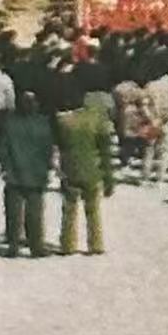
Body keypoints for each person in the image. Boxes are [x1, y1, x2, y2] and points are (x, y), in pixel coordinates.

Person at [55, 92, 115, 255]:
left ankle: (68, 244)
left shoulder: (63, 122)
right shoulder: (96, 121)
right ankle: (96, 243)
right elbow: (105, 153)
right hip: (92, 170)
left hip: (71, 169)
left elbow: (59, 147)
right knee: (93, 209)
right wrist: (108, 178)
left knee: (69, 209)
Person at [0, 92, 55, 259]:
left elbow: (2, 147)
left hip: (14, 172)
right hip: (36, 172)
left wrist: (5, 165)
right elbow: (47, 148)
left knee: (13, 212)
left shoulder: (9, 123)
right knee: (35, 212)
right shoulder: (43, 123)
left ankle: (13, 245)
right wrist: (48, 166)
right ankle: (36, 246)